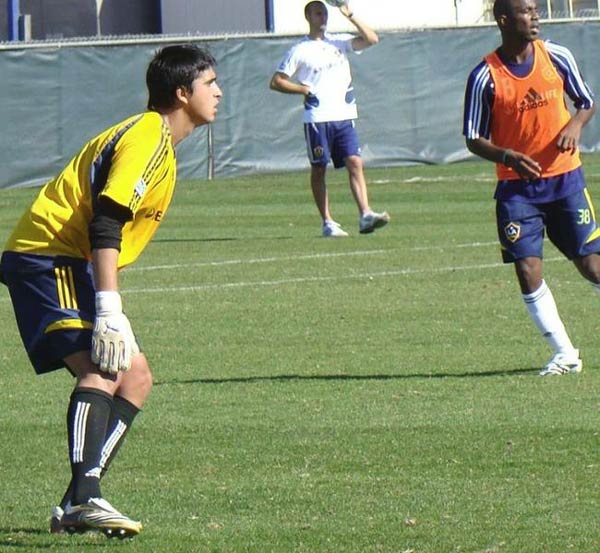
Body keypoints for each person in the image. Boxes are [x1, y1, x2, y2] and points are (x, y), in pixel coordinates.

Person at [0, 44, 222, 537]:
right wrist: (109, 309)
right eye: (210, 83)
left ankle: (74, 504)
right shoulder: (147, 135)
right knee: (106, 366)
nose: (219, 92)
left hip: (66, 259)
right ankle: (87, 498)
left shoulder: (160, 145)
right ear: (182, 93)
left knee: (136, 376)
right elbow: (107, 221)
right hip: (47, 255)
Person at [463, 0, 598, 376]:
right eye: (526, 10)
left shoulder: (556, 56)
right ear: (504, 20)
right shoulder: (484, 76)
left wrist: (574, 126)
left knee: (591, 264)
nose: (535, 15)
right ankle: (565, 353)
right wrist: (508, 156)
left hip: (566, 179)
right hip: (517, 189)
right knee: (527, 268)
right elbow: (473, 137)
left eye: (536, 9)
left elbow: (586, 102)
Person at [269, 0, 389, 237]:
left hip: (343, 115)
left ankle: (365, 214)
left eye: (324, 12)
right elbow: (277, 81)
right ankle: (327, 221)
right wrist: (303, 90)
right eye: (317, 13)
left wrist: (349, 13)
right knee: (320, 168)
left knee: (355, 161)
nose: (322, 16)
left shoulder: (339, 42)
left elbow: (372, 39)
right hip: (318, 118)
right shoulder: (299, 50)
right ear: (308, 18)